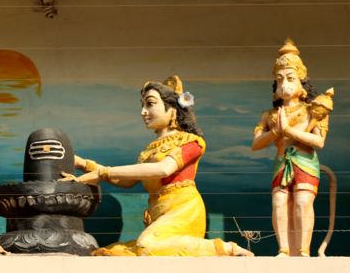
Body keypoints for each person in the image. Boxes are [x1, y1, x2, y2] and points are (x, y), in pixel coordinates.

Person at [74, 76, 252, 256]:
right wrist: (83, 164)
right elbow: (125, 181)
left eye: (150, 104)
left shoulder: (191, 141)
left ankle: (226, 249)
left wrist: (102, 173)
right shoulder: (149, 151)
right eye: (142, 105)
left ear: (173, 109)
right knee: (118, 251)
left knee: (147, 245)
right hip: (157, 212)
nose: (143, 112)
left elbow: (163, 169)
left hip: (184, 210)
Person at [252, 39, 331, 257]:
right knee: (279, 203)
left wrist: (288, 131)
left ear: (301, 83)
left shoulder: (313, 110)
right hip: (281, 163)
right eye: (279, 80)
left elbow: (319, 142)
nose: (284, 84)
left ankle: (303, 250)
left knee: (302, 202)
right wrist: (276, 132)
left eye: (290, 78)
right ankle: (284, 249)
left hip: (305, 162)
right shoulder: (270, 115)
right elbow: (256, 144)